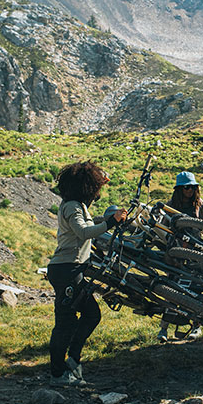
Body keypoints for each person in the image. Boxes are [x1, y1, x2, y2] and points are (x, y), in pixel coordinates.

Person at [47, 161, 127, 386]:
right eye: (95, 186)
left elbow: (89, 226)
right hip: (67, 269)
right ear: (85, 186)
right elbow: (84, 232)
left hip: (72, 268)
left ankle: (73, 360)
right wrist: (111, 222)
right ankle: (57, 374)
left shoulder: (78, 205)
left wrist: (112, 221)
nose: (97, 191)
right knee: (65, 321)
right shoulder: (72, 206)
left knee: (92, 314)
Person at [157, 171, 203, 342]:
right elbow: (162, 227)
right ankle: (164, 329)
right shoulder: (170, 205)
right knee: (172, 289)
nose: (189, 190)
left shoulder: (199, 204)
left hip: (196, 252)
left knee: (196, 288)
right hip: (176, 254)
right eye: (185, 187)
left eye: (192, 187)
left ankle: (197, 325)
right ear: (179, 189)